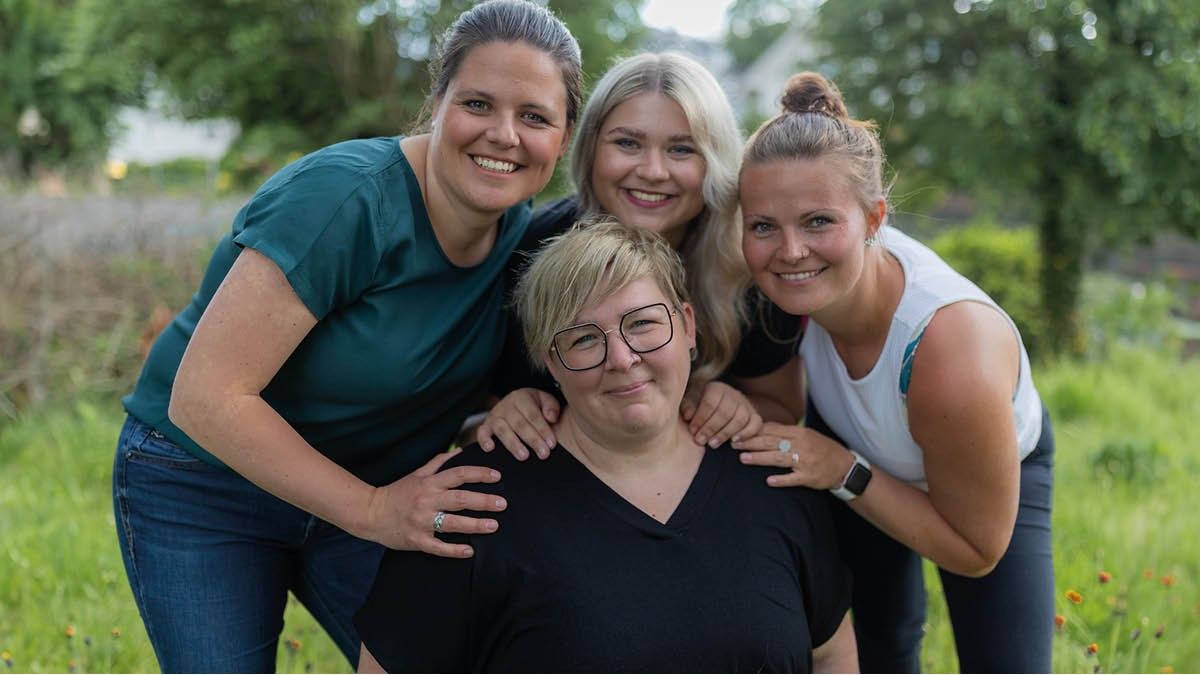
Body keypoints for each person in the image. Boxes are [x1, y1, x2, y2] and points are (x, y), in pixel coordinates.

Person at [110, 2, 581, 671]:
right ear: (437, 102)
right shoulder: (344, 198)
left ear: (563, 139)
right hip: (205, 479)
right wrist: (371, 510)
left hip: (368, 484)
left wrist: (490, 410)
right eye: (479, 103)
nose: (504, 134)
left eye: (534, 116)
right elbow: (205, 395)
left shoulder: (523, 238)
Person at [354, 220, 857, 673]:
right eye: (583, 339)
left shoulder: (772, 480)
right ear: (549, 362)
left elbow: (831, 656)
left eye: (642, 323)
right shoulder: (473, 503)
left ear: (686, 325)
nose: (621, 357)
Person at [733, 72, 1056, 673]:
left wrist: (840, 469)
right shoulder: (767, 292)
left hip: (983, 468)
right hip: (861, 441)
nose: (790, 251)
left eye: (819, 222)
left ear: (875, 218)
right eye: (763, 226)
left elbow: (977, 551)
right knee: (879, 646)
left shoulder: (949, 351)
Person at [475, 51, 805, 460]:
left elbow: (784, 409)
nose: (652, 171)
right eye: (628, 143)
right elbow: (477, 413)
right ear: (590, 148)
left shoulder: (749, 264)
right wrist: (509, 407)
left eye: (681, 150)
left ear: (714, 161)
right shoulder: (534, 250)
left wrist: (738, 406)